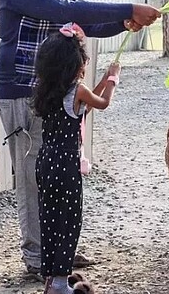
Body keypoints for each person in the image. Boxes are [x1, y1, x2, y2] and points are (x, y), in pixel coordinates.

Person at [0, 0, 160, 276]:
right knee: (31, 177)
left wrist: (122, 23)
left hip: (50, 93)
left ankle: (58, 253)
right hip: (21, 92)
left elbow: (85, 20)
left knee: (55, 177)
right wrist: (129, 7)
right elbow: (65, 11)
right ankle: (38, 259)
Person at [32, 24, 118, 293]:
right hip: (66, 164)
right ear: (74, 64)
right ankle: (59, 283)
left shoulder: (50, 90)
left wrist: (102, 79)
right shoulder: (78, 90)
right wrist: (113, 79)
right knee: (69, 220)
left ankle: (51, 279)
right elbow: (100, 103)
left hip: (46, 162)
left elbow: (81, 109)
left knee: (49, 219)